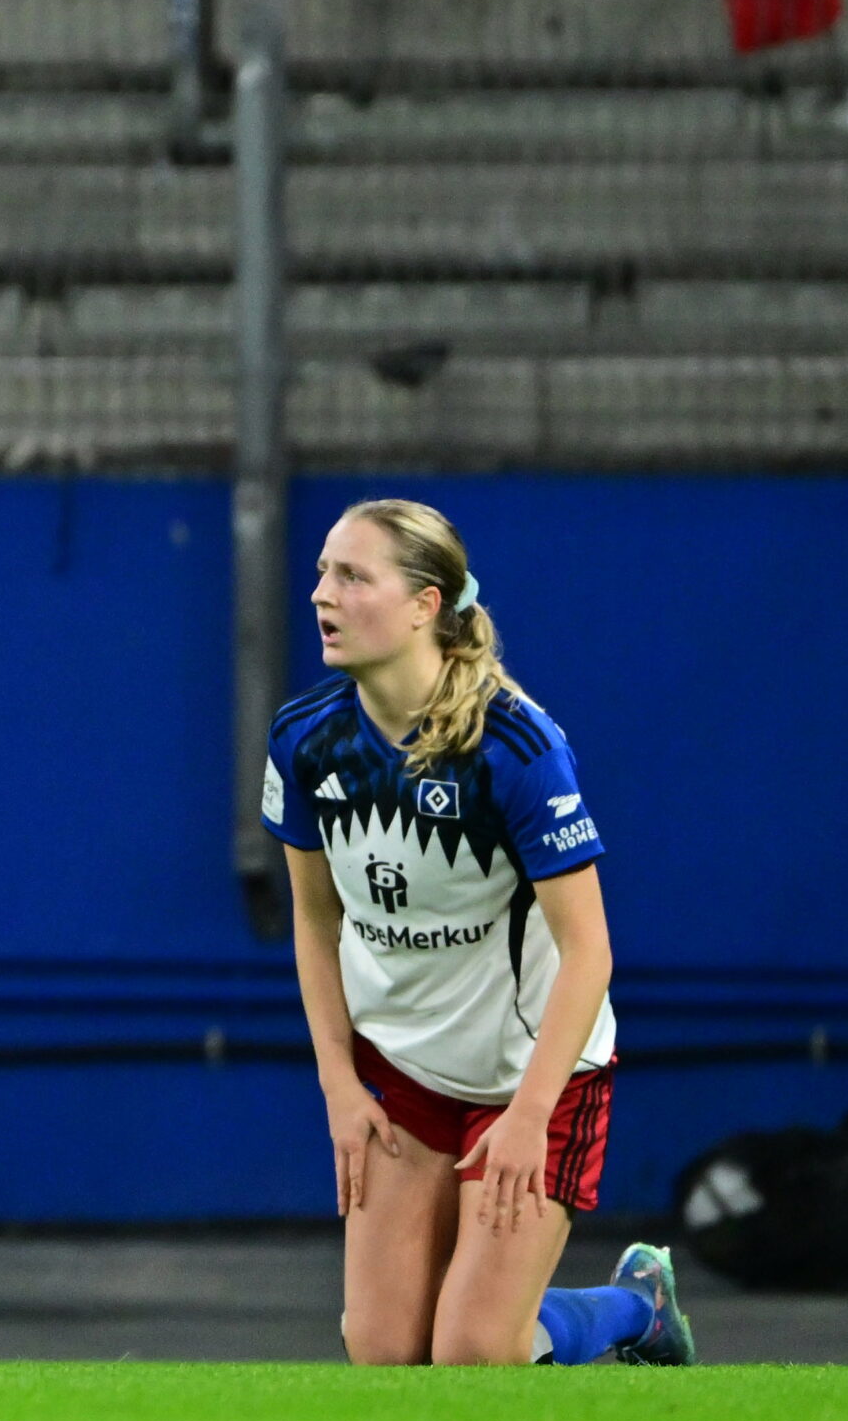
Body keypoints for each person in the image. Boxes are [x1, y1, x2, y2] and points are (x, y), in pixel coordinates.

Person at [263, 499, 696, 1367]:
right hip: (405, 1073)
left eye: (352, 576)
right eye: (321, 572)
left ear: (426, 604)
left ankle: (634, 1305)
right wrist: (339, 1086)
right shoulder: (304, 740)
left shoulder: (517, 747)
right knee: (385, 1355)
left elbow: (590, 952)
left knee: (471, 1360)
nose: (322, 594)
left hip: (535, 1077)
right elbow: (317, 921)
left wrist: (532, 1113)